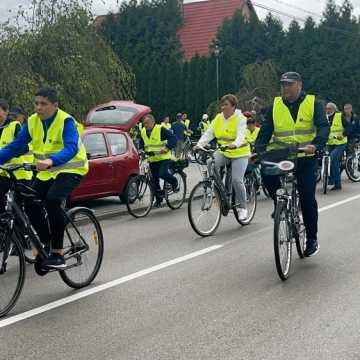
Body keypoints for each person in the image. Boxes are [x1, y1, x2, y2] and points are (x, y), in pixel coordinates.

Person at [0, 88, 89, 268]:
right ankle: (46, 243)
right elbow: (15, 147)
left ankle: (57, 252)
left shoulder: (65, 121)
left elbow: (71, 147)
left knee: (52, 200)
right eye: (36, 103)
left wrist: (51, 160)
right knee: (30, 203)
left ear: (55, 106)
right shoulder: (32, 122)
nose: (38, 108)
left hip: (72, 169)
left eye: (43, 104)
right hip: (47, 171)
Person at [255, 72, 330, 257]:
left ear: (299, 85)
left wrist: (316, 144)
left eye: (289, 84)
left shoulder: (313, 103)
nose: (285, 88)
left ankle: (312, 238)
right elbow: (265, 132)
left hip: (305, 155)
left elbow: (323, 126)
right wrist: (258, 150)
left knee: (306, 197)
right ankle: (279, 203)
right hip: (282, 155)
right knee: (266, 173)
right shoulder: (276, 105)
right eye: (283, 84)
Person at [196, 94, 250, 220]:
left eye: (226, 105)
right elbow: (209, 133)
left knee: (237, 180)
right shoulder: (218, 118)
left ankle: (243, 208)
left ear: (233, 106)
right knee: (210, 162)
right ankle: (218, 190)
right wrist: (199, 145)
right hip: (224, 151)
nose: (223, 107)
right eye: (222, 104)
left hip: (240, 152)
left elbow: (241, 135)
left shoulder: (240, 118)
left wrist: (235, 144)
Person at [0, 99, 33, 213]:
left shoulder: (14, 126)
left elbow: (25, 147)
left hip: (21, 174)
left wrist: (8, 154)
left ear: (6, 112)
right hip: (4, 173)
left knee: (28, 208)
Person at [139, 114, 178, 207]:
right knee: (153, 180)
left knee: (162, 174)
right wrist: (140, 150)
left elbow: (173, 139)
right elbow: (142, 143)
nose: (146, 125)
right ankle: (159, 200)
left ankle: (174, 182)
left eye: (147, 123)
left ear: (153, 122)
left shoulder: (160, 129)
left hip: (164, 158)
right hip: (152, 159)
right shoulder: (143, 131)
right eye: (144, 123)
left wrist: (167, 147)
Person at [325, 102, 351, 190]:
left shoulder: (339, 116)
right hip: (330, 143)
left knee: (332, 158)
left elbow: (349, 127)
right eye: (327, 109)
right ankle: (335, 182)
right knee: (330, 161)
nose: (327, 110)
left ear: (334, 109)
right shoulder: (325, 118)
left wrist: (343, 134)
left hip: (340, 143)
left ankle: (334, 181)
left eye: (329, 109)